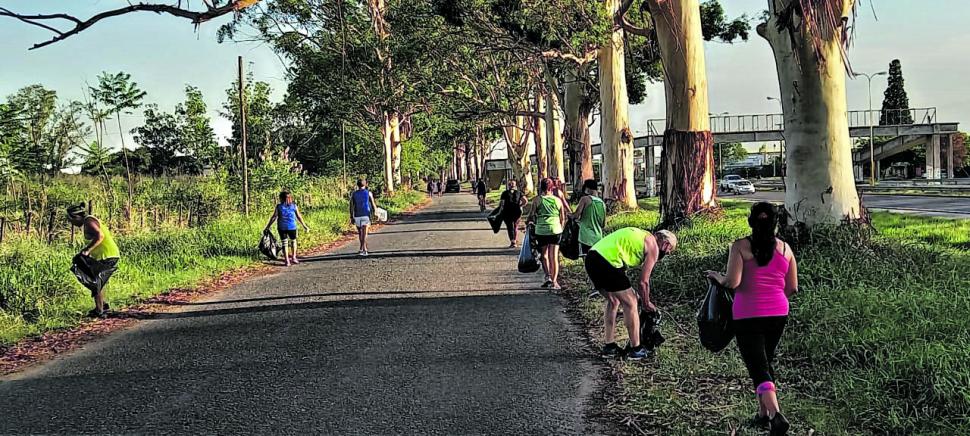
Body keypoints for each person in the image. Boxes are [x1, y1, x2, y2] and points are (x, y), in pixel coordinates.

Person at [706, 202, 797, 435]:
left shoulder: (739, 247)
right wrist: (775, 298)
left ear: (751, 221)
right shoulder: (786, 249)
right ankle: (763, 414)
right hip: (779, 313)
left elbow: (733, 282)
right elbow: (793, 287)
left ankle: (776, 415)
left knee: (757, 365)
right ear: (776, 223)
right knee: (765, 361)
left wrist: (717, 276)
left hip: (747, 313)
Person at [585, 227, 678, 360]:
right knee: (631, 303)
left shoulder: (641, 235)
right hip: (607, 262)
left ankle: (609, 347)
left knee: (614, 301)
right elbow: (643, 282)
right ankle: (636, 349)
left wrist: (639, 296)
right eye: (670, 251)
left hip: (592, 258)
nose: (667, 254)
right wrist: (646, 303)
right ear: (666, 244)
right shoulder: (653, 246)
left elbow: (622, 279)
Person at [67, 204, 120, 318]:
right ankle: (102, 305)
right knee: (98, 280)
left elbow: (100, 236)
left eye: (71, 220)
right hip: (104, 255)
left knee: (95, 280)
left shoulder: (89, 221)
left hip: (107, 255)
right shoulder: (88, 221)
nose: (72, 223)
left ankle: (99, 310)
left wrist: (87, 250)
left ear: (76, 217)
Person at [527, 178, 567, 290]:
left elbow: (531, 215)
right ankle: (555, 281)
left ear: (541, 187)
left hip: (541, 231)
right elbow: (562, 218)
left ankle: (548, 276)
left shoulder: (537, 200)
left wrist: (530, 222)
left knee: (544, 255)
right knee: (554, 256)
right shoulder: (557, 200)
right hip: (555, 230)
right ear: (551, 187)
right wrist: (560, 227)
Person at [264, 191, 311, 266]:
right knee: (293, 241)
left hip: (282, 227)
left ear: (281, 198)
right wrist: (304, 226)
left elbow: (274, 217)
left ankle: (287, 261)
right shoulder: (294, 206)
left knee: (284, 243)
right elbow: (299, 216)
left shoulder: (279, 206)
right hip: (292, 227)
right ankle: (294, 257)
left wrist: (267, 226)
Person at [572, 179, 606, 255]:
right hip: (598, 237)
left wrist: (570, 215)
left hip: (585, 237)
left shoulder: (585, 199)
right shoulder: (602, 203)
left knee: (586, 260)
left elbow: (576, 215)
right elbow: (603, 224)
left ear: (587, 189)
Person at [349, 179, 378, 256]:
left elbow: (351, 206)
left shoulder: (354, 194)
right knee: (364, 234)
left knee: (360, 233)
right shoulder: (368, 193)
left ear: (357, 185)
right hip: (366, 214)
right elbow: (372, 203)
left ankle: (361, 248)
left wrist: (351, 216)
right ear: (366, 185)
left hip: (357, 215)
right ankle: (364, 249)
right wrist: (375, 212)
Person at [498, 179, 527, 248]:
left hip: (507, 212)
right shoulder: (519, 193)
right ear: (515, 185)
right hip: (517, 211)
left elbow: (502, 203)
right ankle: (514, 240)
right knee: (515, 226)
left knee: (510, 227)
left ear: (508, 186)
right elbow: (525, 201)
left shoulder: (504, 193)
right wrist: (520, 205)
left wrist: (500, 210)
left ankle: (512, 241)